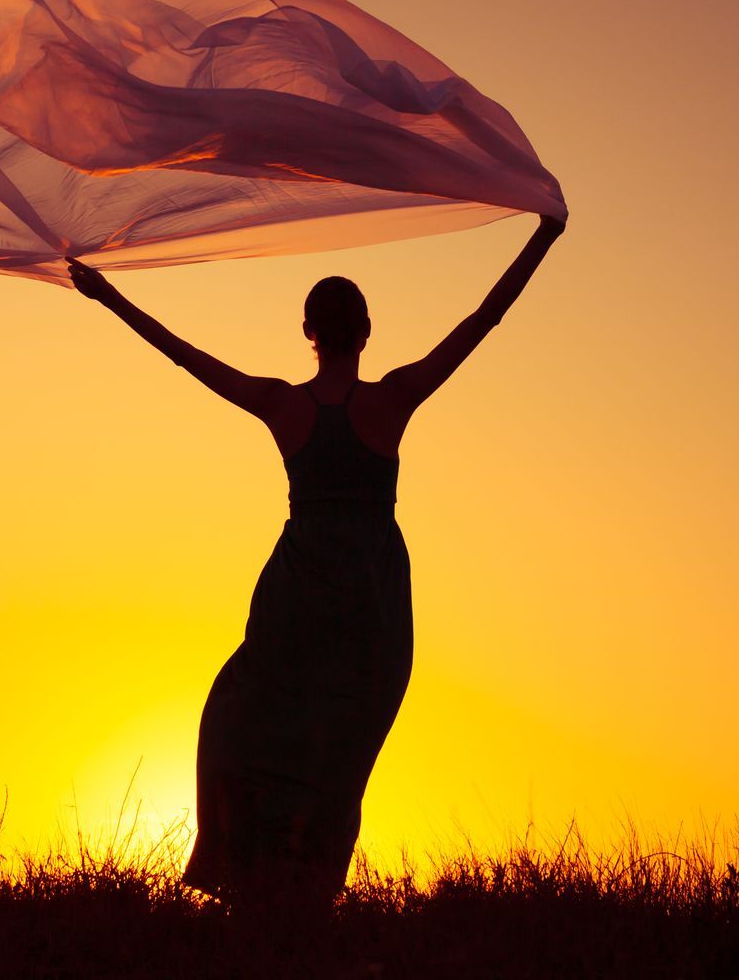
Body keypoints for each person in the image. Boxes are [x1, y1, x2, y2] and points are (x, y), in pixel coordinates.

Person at [65, 213, 566, 919]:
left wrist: (110, 297)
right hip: (369, 595)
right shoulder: (390, 399)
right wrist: (543, 236)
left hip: (299, 590)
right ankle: (300, 893)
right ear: (364, 331)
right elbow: (483, 319)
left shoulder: (283, 404)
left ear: (310, 333)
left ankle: (257, 881)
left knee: (250, 721)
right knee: (337, 752)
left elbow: (184, 354)